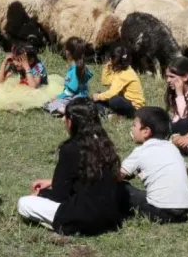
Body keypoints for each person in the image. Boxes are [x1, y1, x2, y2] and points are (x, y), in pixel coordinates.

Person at [17, 98, 129, 235]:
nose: (63, 120)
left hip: (84, 219)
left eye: (66, 116)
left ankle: (60, 225)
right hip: (111, 218)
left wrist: (41, 193)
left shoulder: (70, 148)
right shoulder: (104, 142)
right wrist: (52, 182)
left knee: (24, 203)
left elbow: (60, 195)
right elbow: (92, 177)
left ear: (71, 121)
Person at [121, 107, 188, 223]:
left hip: (160, 211)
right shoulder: (172, 147)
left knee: (121, 188)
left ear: (146, 131)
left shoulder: (141, 151)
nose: (132, 129)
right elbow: (187, 171)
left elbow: (118, 175)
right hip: (186, 211)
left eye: (134, 125)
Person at [0, 44, 62, 112]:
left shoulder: (36, 67)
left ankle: (18, 104)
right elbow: (0, 80)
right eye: (14, 59)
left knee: (32, 94)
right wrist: (4, 63)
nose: (15, 63)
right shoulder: (17, 65)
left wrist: (26, 67)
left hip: (38, 88)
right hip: (23, 86)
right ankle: (12, 102)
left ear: (30, 61)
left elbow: (33, 86)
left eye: (19, 60)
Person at [44, 37, 93, 117]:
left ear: (68, 52)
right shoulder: (82, 67)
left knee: (48, 105)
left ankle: (67, 111)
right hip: (83, 98)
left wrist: (58, 97)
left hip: (75, 99)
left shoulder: (75, 70)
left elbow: (71, 91)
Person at [93, 45, 144, 119]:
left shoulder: (125, 74)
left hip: (135, 109)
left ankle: (113, 116)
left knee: (113, 100)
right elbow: (105, 81)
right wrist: (107, 66)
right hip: (126, 101)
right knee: (100, 97)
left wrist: (98, 97)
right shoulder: (122, 70)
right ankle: (109, 115)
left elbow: (111, 93)